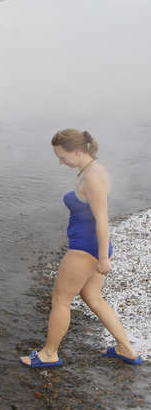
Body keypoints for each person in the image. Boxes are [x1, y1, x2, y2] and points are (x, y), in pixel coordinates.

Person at [20, 129, 141, 367]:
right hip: (91, 246)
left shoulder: (92, 178)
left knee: (61, 299)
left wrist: (103, 257)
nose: (60, 162)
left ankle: (49, 354)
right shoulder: (93, 170)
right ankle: (126, 349)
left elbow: (102, 219)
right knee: (93, 297)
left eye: (62, 157)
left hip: (85, 248)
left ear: (76, 151)